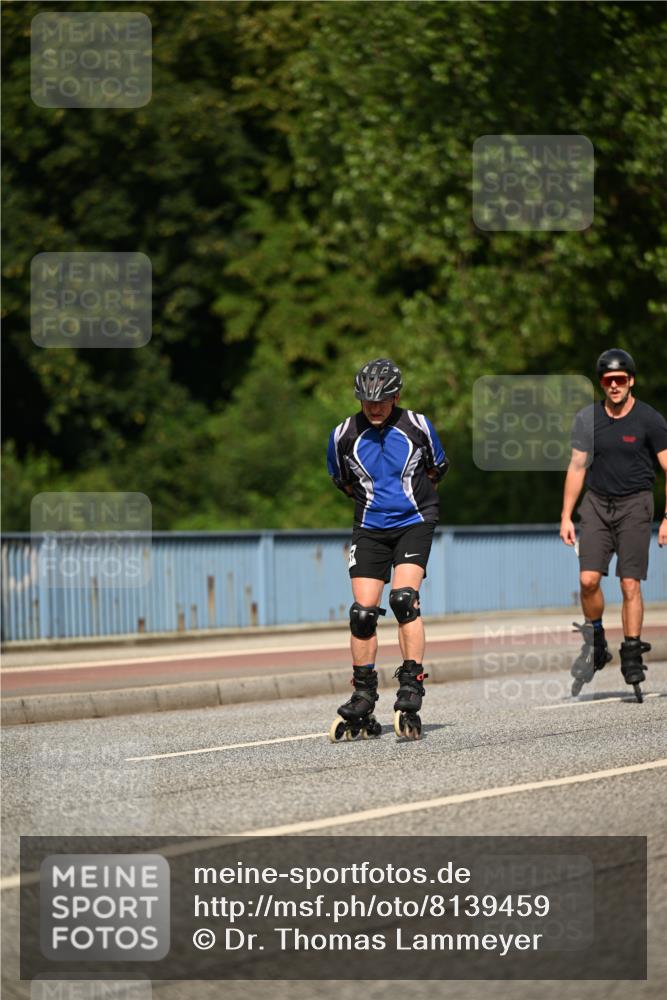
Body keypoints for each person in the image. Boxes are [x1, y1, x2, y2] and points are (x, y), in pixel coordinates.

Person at [326, 358, 449, 740]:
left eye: (382, 400)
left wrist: (406, 501)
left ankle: (411, 685)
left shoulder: (418, 425)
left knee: (403, 599)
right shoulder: (343, 434)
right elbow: (342, 481)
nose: (374, 407)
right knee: (362, 613)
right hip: (369, 527)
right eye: (367, 401)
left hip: (415, 521)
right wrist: (376, 505)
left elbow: (437, 468)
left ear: (396, 396)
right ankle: (363, 695)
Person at [560, 349, 667, 699]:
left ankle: (632, 653)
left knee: (629, 583)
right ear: (601, 383)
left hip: (636, 504)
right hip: (596, 505)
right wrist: (566, 515)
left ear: (631, 380)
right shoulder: (588, 419)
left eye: (621, 379)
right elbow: (577, 466)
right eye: (609, 380)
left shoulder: (650, 420)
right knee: (588, 580)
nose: (615, 385)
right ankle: (597, 639)